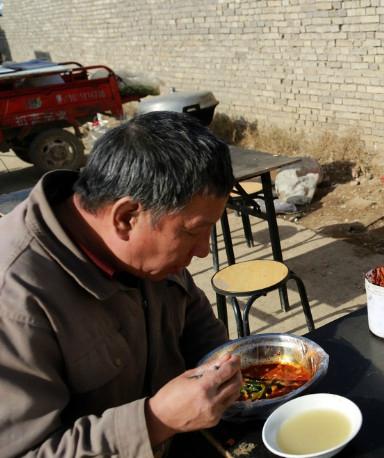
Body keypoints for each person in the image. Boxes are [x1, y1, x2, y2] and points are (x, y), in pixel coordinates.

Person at [0, 111, 242, 457]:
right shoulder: (15, 300)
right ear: (126, 217)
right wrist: (155, 421)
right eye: (192, 232)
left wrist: (229, 373)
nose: (203, 252)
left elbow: (195, 320)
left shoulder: (147, 253)